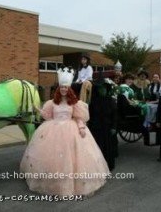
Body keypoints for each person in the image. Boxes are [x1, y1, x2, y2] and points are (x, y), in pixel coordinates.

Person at [20, 67, 109, 196]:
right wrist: (38, 110)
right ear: (58, 89)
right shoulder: (52, 103)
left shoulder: (74, 103)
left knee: (73, 158)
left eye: (66, 88)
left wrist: (81, 128)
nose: (63, 89)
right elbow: (48, 116)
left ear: (69, 89)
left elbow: (79, 118)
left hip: (70, 129)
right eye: (61, 87)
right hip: (53, 128)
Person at [88, 70, 118, 171]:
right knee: (97, 147)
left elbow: (115, 115)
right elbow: (90, 114)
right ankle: (97, 166)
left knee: (107, 148)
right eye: (100, 88)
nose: (102, 90)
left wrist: (114, 127)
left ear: (107, 88)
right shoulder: (93, 101)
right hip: (96, 128)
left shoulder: (111, 101)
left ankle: (108, 165)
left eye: (104, 88)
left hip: (107, 128)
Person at [119, 73, 150, 145]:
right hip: (127, 107)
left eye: (131, 79)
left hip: (129, 104)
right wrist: (135, 103)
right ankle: (143, 125)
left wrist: (136, 101)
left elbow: (131, 98)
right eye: (128, 79)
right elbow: (126, 99)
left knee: (144, 105)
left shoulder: (129, 88)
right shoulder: (124, 87)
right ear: (125, 80)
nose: (130, 81)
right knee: (144, 107)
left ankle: (144, 123)